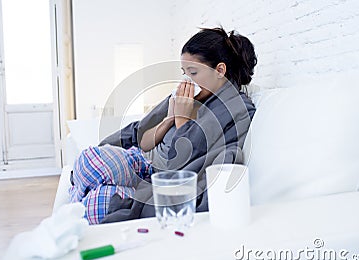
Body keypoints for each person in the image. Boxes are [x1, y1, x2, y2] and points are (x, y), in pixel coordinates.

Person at [70, 27, 257, 224]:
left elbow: (188, 163)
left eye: (193, 72)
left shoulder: (233, 109)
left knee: (95, 203)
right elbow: (141, 135)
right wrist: (170, 118)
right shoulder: (184, 97)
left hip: (158, 178)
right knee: (87, 161)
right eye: (184, 73)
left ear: (219, 70)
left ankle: (78, 194)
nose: (186, 80)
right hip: (139, 161)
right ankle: (81, 190)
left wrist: (182, 120)